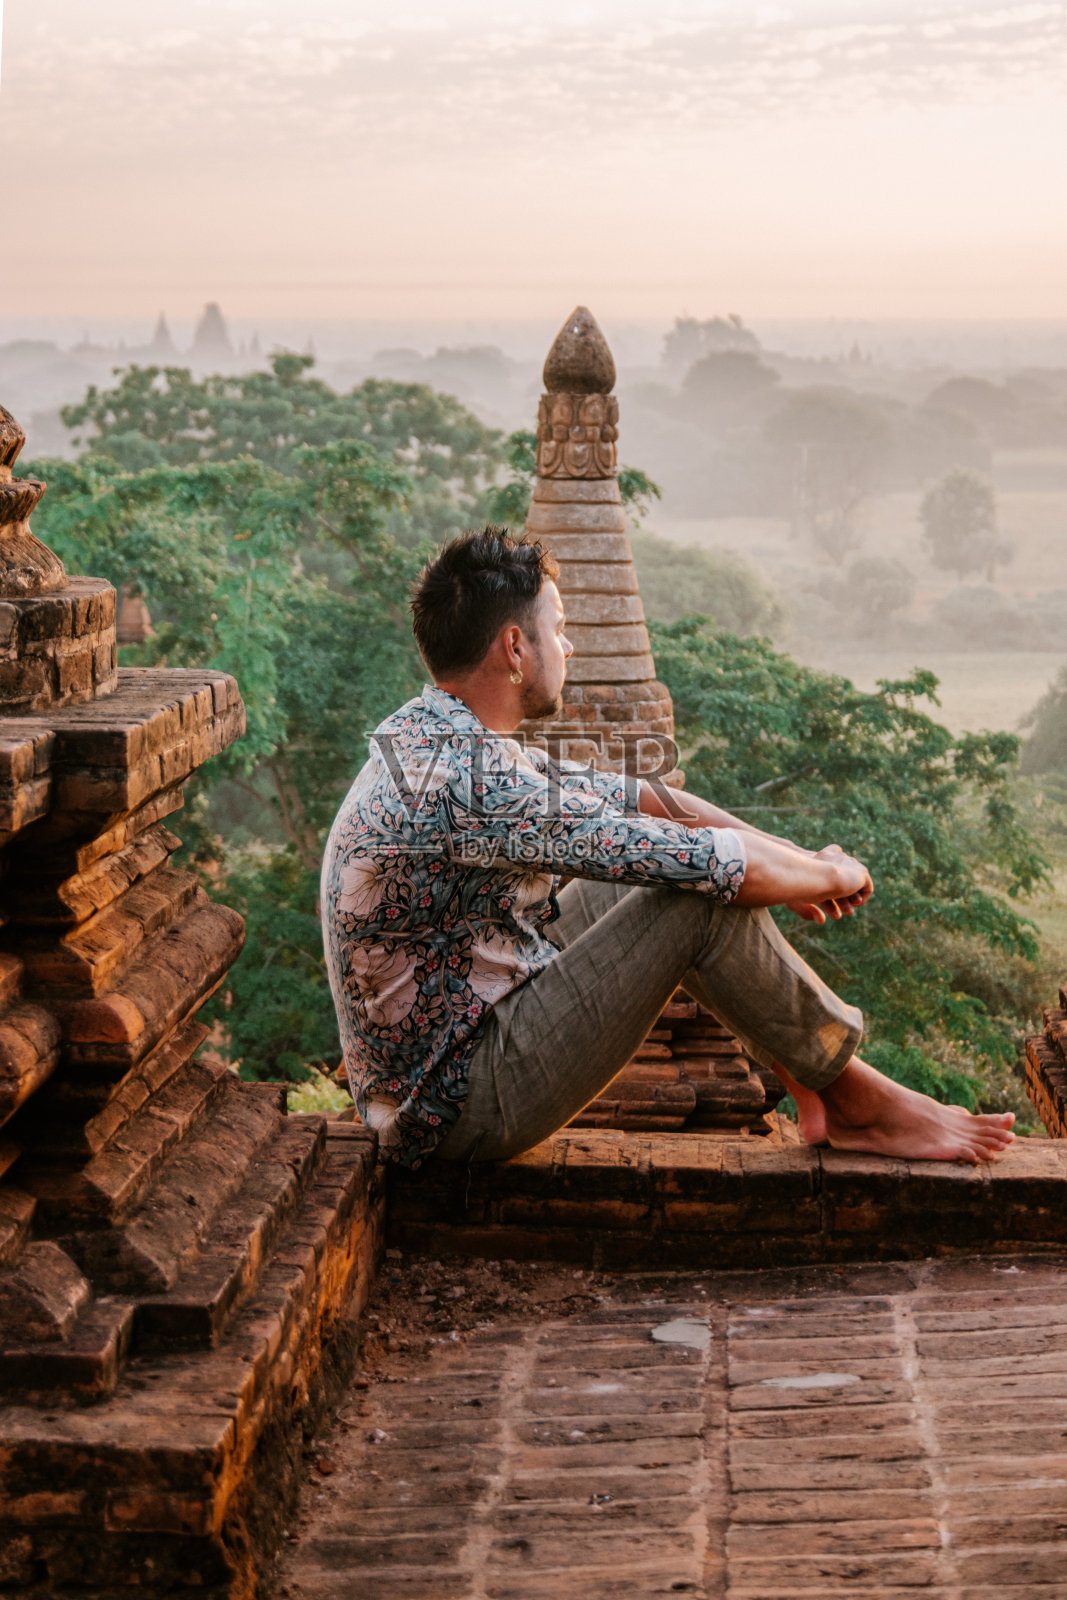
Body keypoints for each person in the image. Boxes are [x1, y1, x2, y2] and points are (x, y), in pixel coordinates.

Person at [321, 526, 1015, 1171]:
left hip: (467, 1029)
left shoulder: (433, 733)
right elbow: (711, 869)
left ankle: (818, 1085)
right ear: (513, 648)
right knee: (697, 902)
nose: (568, 649)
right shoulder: (474, 784)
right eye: (557, 632)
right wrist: (834, 870)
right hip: (451, 1111)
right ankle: (860, 1100)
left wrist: (796, 859)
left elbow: (646, 800)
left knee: (662, 874)